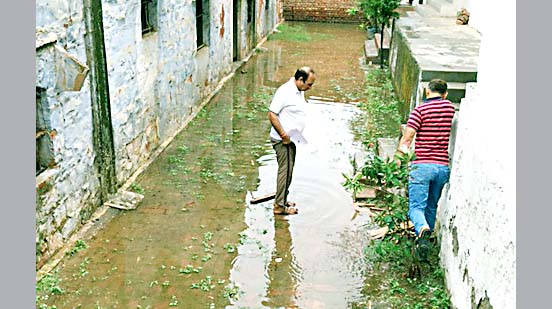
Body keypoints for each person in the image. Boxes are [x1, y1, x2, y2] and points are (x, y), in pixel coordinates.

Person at [395, 79, 455, 260]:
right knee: (431, 206)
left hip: (422, 166)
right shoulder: (449, 109)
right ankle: (424, 247)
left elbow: (406, 140)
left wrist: (400, 160)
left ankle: (422, 229)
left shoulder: (419, 111)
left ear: (427, 92)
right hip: (442, 167)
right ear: (445, 94)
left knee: (415, 208)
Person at [267, 67, 316, 215]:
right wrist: (283, 136)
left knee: (289, 171)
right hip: (282, 140)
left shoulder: (298, 91)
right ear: (300, 80)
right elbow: (271, 114)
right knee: (284, 171)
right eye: (309, 84)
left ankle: (282, 199)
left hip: (292, 139)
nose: (309, 88)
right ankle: (279, 207)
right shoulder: (285, 91)